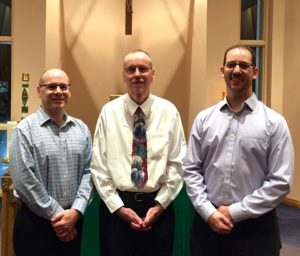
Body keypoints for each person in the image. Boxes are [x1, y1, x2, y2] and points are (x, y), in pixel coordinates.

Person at [183, 44, 294, 256]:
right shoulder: (204, 119)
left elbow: (280, 181)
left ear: (255, 72)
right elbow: (191, 170)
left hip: (256, 230)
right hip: (207, 227)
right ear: (222, 70)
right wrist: (208, 211)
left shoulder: (274, 123)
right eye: (231, 64)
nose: (236, 70)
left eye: (244, 65)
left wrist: (234, 212)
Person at [91, 49, 186, 256]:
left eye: (143, 68)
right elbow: (99, 165)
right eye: (130, 69)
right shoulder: (109, 113)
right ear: (123, 75)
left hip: (158, 209)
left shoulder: (169, 112)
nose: (137, 74)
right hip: (116, 211)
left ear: (153, 74)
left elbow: (177, 164)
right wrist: (119, 208)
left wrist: (159, 206)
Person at [10, 68, 93, 256]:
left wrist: (76, 211)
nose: (58, 91)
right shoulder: (25, 130)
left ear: (69, 91)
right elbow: (24, 181)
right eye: (51, 86)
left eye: (63, 86)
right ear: (39, 91)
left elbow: (90, 173)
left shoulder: (82, 129)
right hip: (35, 226)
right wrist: (58, 217)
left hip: (74, 223)